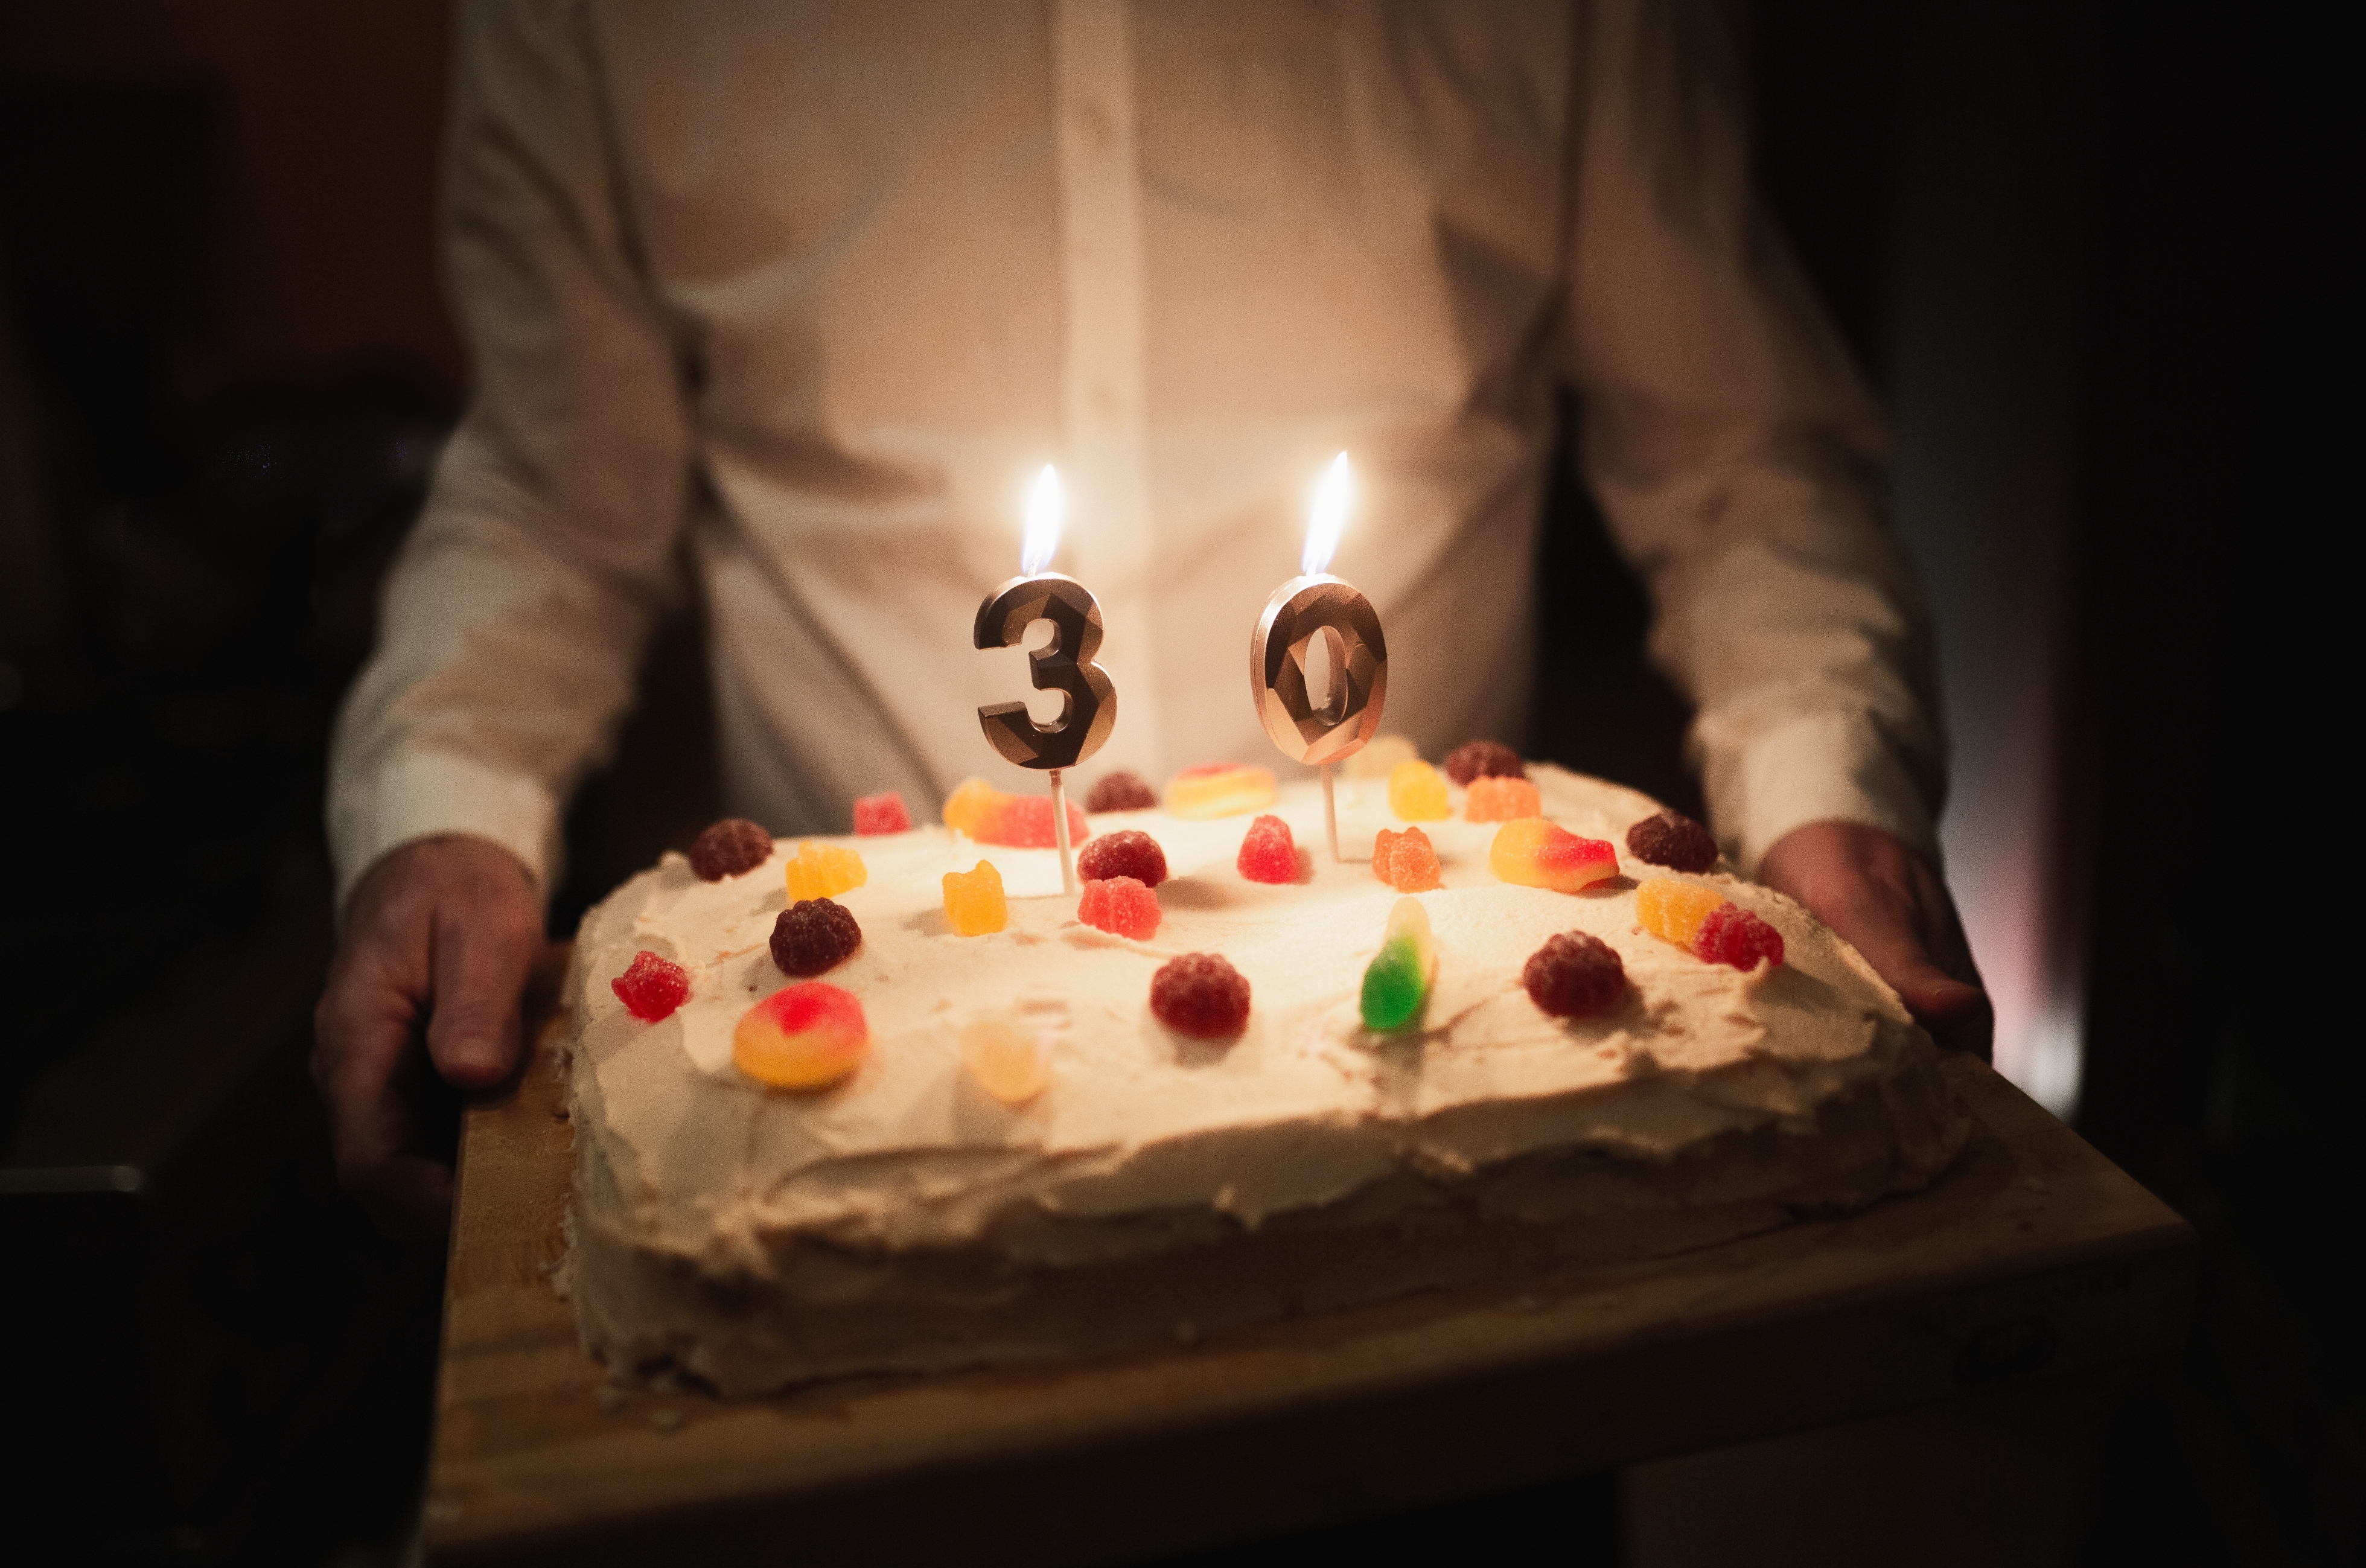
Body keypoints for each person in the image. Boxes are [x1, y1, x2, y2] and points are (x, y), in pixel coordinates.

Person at [314, 0, 1989, 1240]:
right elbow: (549, 486)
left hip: (1462, 1153)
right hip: (859, 1131)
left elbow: (1740, 451)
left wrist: (1833, 778)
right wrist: (442, 807)